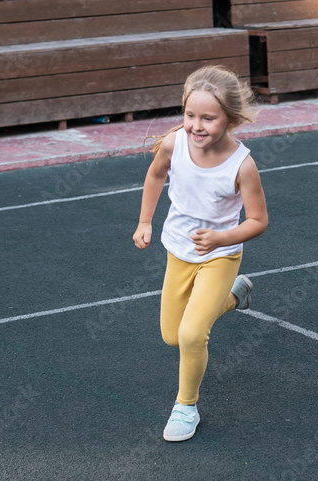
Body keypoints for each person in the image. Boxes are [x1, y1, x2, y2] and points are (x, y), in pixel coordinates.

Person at [133, 65, 269, 441]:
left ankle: (186, 407)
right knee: (172, 336)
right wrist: (145, 221)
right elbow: (156, 175)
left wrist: (222, 238)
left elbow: (258, 220)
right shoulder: (174, 143)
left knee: (193, 335)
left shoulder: (242, 165)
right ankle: (233, 297)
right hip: (178, 251)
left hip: (220, 256)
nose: (196, 125)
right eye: (190, 115)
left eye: (208, 118)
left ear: (231, 119)